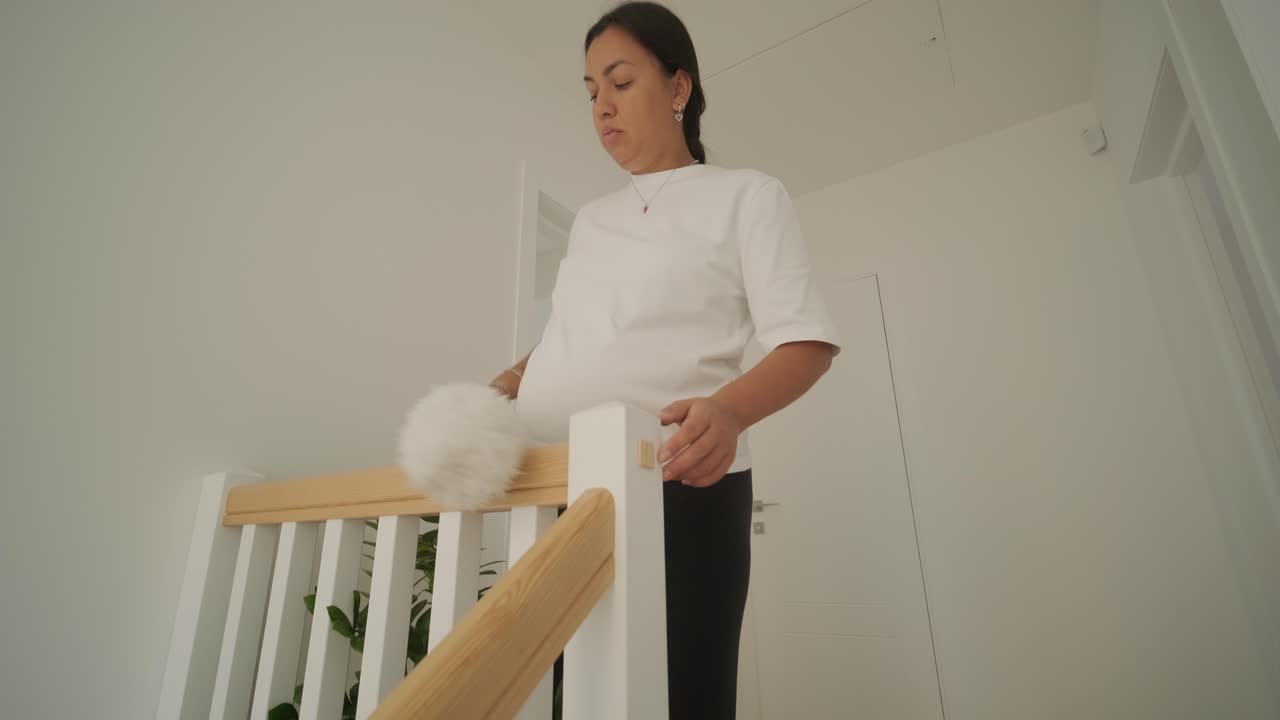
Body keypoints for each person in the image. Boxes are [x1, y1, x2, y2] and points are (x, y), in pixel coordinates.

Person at [488, 3, 840, 717]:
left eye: (619, 82)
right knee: (565, 696)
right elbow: (579, 329)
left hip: (680, 484)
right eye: (590, 92)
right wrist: (515, 377)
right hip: (558, 485)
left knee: (681, 696)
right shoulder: (590, 221)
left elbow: (806, 341)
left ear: (679, 88)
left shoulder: (746, 196)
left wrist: (732, 409)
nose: (602, 107)